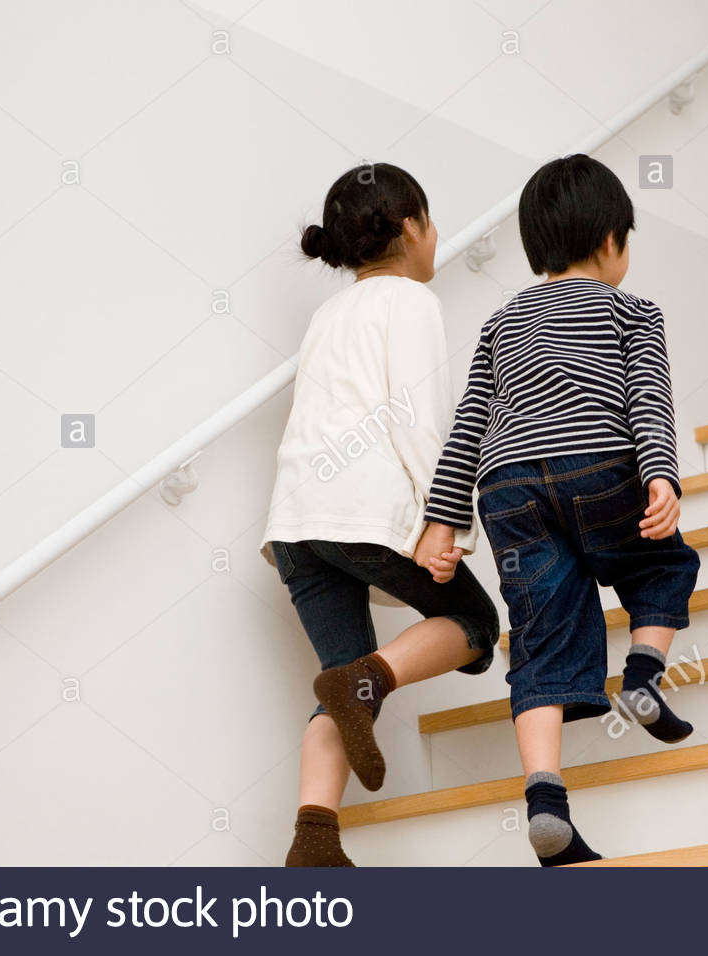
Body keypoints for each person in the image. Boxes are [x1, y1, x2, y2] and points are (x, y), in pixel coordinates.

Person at [423, 154, 701, 865]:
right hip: (600, 467)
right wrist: (662, 479)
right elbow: (648, 401)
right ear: (612, 240)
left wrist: (443, 520)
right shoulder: (632, 311)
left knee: (542, 636)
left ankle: (546, 800)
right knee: (661, 565)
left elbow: (469, 424)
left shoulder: (501, 322)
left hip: (507, 488)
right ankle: (640, 676)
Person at [261, 163, 499, 867]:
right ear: (409, 228)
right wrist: (447, 520)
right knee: (476, 624)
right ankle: (360, 685)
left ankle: (315, 837)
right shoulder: (411, 303)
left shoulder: (326, 315)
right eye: (431, 221)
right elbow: (421, 420)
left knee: (348, 678)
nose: (436, 236)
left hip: (296, 526)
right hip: (360, 511)